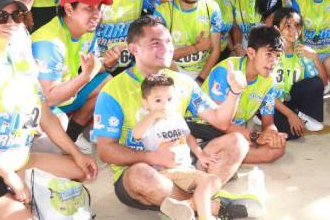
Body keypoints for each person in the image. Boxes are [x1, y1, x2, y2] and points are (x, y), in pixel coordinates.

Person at [93, 16, 254, 216]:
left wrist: (234, 92)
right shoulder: (113, 91)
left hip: (183, 164)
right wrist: (152, 157)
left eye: (168, 41)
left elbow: (220, 121)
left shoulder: (182, 82)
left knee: (238, 142)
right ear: (134, 49)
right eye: (156, 43)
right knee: (138, 175)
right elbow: (105, 151)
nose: (166, 48)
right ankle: (209, 204)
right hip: (145, 171)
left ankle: (192, 206)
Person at [0, 0, 97, 220]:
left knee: (81, 170)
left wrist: (76, 153)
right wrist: (8, 176)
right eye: (0, 17)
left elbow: (45, 114)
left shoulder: (19, 61)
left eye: (16, 16)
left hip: (20, 160)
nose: (10, 23)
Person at [132, 74, 223, 220]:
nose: (165, 104)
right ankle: (205, 216)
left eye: (169, 99)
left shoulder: (176, 117)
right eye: (158, 100)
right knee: (208, 181)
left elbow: (187, 136)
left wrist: (200, 154)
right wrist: (153, 115)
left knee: (214, 181)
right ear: (146, 103)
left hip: (185, 170)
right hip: (162, 173)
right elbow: (136, 134)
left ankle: (186, 205)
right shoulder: (147, 122)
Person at [32, 0, 113, 145]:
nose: (96, 14)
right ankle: (64, 145)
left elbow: (91, 66)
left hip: (67, 91)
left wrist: (108, 62)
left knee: (109, 83)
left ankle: (73, 135)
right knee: (59, 121)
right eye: (89, 8)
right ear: (69, 10)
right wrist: (85, 77)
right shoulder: (49, 42)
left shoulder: (88, 30)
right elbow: (49, 99)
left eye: (98, 7)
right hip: (41, 103)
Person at [194, 25, 288, 164]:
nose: (274, 61)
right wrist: (254, 136)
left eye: (277, 56)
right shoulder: (225, 71)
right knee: (239, 141)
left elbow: (268, 122)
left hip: (236, 133)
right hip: (205, 126)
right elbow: (220, 122)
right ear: (251, 52)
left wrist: (272, 135)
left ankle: (219, 154)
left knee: (277, 149)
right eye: (269, 54)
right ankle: (209, 151)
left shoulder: (269, 81)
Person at [153, 0, 223, 82]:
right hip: (173, 71)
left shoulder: (211, 8)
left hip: (203, 72)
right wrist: (196, 48)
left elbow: (216, 50)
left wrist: (200, 80)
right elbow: (161, 55)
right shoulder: (162, 12)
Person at [271, 7, 327, 138]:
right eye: (287, 26)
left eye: (297, 25)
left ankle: (300, 114)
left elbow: (323, 82)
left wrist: (315, 57)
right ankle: (263, 116)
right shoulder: (270, 52)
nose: (293, 30)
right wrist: (290, 115)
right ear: (276, 29)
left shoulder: (303, 51)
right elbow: (264, 92)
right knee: (292, 133)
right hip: (270, 101)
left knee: (315, 82)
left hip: (288, 99)